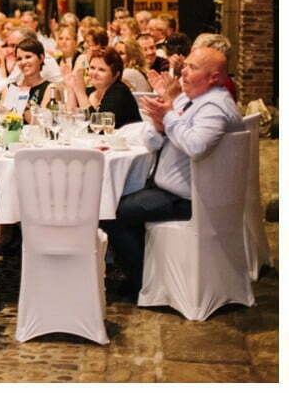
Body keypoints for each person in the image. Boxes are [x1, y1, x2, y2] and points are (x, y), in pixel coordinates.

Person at [101, 47, 243, 298]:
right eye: (185, 65)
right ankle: (150, 273)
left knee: (111, 212)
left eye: (193, 68)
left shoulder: (214, 107)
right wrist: (158, 125)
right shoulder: (193, 100)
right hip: (172, 188)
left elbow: (196, 146)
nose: (184, 72)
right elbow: (154, 142)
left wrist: (167, 117)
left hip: (191, 198)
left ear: (214, 77)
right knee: (114, 199)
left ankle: (146, 281)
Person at [62, 47, 141, 128]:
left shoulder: (119, 91)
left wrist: (80, 93)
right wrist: (71, 89)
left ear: (116, 75)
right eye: (92, 68)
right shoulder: (90, 91)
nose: (94, 73)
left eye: (101, 70)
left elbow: (100, 128)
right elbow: (70, 121)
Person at [0, 26, 62, 95]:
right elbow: (9, 87)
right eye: (9, 46)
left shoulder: (38, 60)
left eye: (14, 46)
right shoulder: (23, 59)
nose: (10, 51)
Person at [0, 37, 53, 117]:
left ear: (41, 58)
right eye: (19, 59)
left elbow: (44, 124)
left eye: (28, 57)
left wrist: (23, 106)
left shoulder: (50, 89)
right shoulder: (11, 88)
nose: (23, 62)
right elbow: (3, 121)